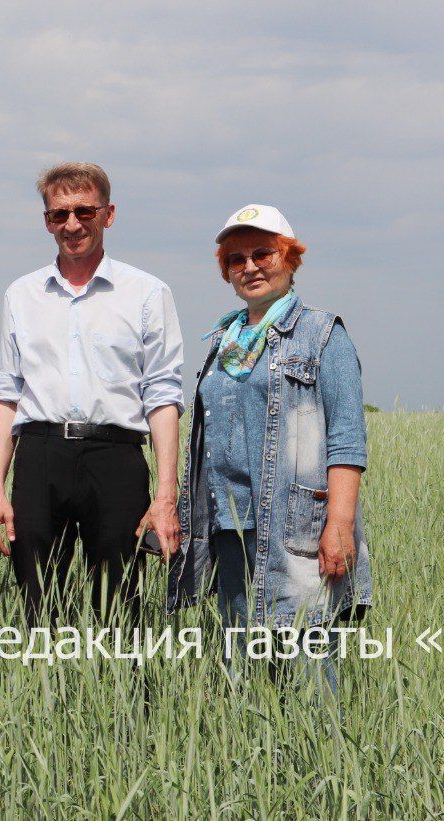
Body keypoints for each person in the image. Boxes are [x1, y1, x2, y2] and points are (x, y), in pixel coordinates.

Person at [166, 204, 372, 695]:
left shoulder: (324, 334)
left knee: (305, 666)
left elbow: (347, 437)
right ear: (226, 271)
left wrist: (339, 524)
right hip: (227, 529)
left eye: (263, 253)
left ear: (290, 258)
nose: (250, 266)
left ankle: (326, 764)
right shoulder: (223, 341)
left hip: (293, 528)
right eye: (236, 259)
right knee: (245, 670)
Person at [0, 162, 185, 627]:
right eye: (59, 214)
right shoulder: (21, 294)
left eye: (84, 211)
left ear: (108, 214)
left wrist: (165, 496)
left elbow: (162, 395)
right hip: (39, 455)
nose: (72, 224)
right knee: (36, 601)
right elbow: (8, 394)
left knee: (120, 606)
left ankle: (122, 698)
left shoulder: (148, 293)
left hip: (115, 457)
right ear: (47, 221)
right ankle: (40, 695)